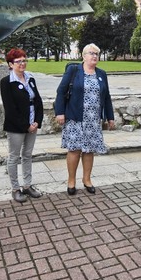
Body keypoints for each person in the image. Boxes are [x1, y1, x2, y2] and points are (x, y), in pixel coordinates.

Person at [54, 43, 115, 195]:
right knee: (74, 150)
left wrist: (110, 117)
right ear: (84, 55)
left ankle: (86, 179)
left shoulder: (101, 74)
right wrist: (59, 112)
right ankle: (71, 181)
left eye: (97, 54)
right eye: (91, 53)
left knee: (89, 151)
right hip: (75, 118)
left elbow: (106, 97)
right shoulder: (73, 70)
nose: (94, 56)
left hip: (93, 120)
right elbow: (61, 91)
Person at [0, 48, 44, 203]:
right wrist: (26, 126)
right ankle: (15, 188)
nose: (22, 63)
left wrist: (37, 121)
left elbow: (37, 101)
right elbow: (10, 108)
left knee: (27, 155)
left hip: (33, 123)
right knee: (13, 157)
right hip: (16, 126)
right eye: (18, 61)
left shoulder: (30, 78)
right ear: (10, 64)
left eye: (24, 60)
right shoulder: (6, 82)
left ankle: (27, 185)